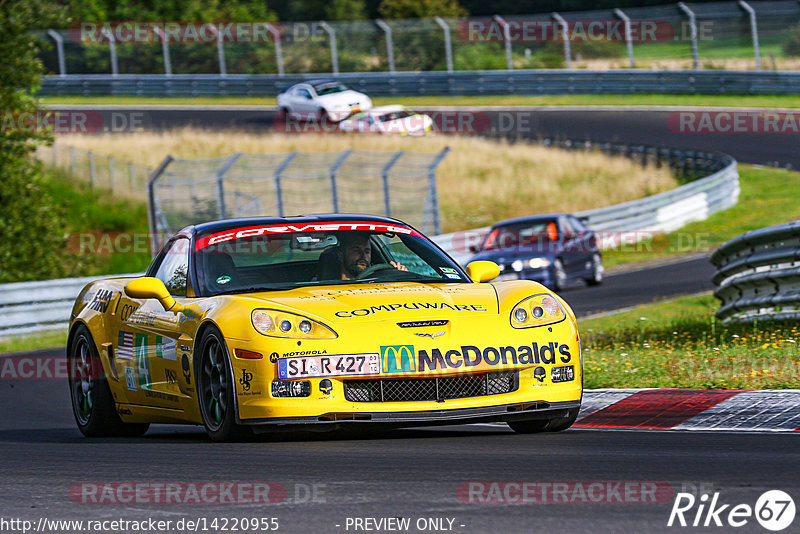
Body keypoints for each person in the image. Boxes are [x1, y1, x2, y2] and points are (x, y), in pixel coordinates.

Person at [338, 232, 407, 280]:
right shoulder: (328, 287)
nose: (363, 255)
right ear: (340, 255)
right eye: (356, 251)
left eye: (367, 251)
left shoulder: (379, 283)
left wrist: (401, 276)